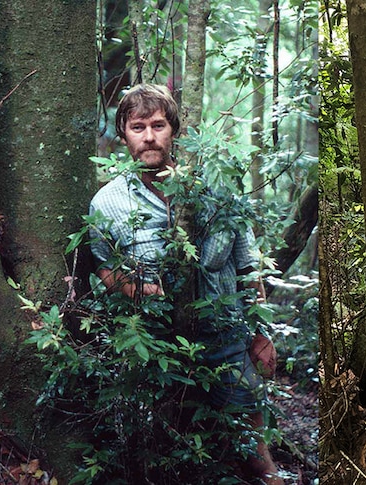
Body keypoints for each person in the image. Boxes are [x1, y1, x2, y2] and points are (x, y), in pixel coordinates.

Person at [88, 84, 281, 484]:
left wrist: (260, 334)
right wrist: (135, 290)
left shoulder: (214, 189)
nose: (149, 136)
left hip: (223, 334)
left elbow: (248, 266)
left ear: (174, 129)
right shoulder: (108, 202)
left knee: (249, 430)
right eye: (137, 127)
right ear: (123, 134)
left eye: (158, 125)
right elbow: (106, 268)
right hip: (156, 344)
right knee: (164, 449)